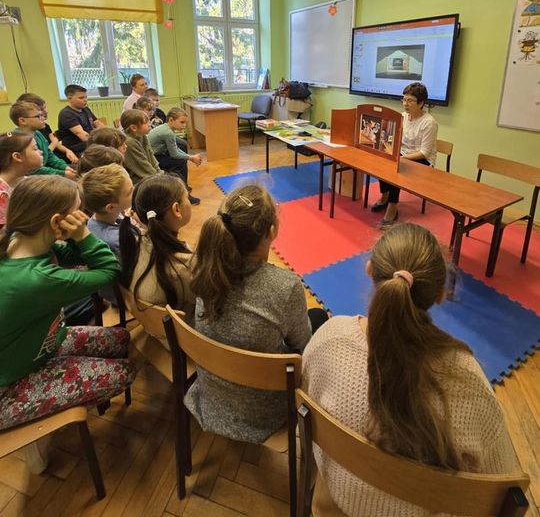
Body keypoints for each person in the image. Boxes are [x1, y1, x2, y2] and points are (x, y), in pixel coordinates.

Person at [302, 223, 517, 516]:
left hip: (338, 502)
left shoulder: (330, 338)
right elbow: (503, 484)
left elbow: (305, 405)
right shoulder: (467, 380)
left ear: (370, 270)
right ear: (440, 294)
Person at [187, 184, 328, 444]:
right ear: (272, 231)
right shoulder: (285, 286)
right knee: (319, 317)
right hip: (264, 412)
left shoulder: (203, 267)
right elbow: (303, 346)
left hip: (212, 393)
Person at [0, 176, 136, 442]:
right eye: (78, 211)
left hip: (39, 346)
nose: (84, 217)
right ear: (56, 222)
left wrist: (75, 238)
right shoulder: (38, 279)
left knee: (121, 337)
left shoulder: (19, 240)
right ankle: (38, 424)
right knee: (125, 372)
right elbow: (110, 270)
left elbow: (76, 255)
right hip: (8, 386)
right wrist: (82, 234)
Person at [119, 173, 196, 325]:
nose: (189, 201)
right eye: (187, 197)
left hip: (153, 325)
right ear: (177, 209)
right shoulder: (184, 266)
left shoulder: (133, 243)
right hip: (181, 332)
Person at [371, 82, 437, 227]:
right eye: (404, 99)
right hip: (404, 154)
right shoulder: (402, 116)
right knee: (383, 159)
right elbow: (394, 138)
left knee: (397, 168)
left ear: (421, 103)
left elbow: (424, 153)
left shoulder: (429, 122)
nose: (405, 104)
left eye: (410, 100)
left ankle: (392, 207)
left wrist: (400, 158)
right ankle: (385, 195)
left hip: (423, 159)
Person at [148, 107, 202, 205]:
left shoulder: (166, 127)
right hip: (154, 158)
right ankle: (183, 193)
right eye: (182, 122)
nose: (184, 125)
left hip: (158, 154)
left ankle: (183, 186)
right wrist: (191, 158)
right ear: (171, 120)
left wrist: (190, 156)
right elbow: (175, 154)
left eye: (185, 123)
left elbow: (175, 149)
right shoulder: (168, 133)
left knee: (182, 149)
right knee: (180, 162)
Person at [10, 101, 77, 180]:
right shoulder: (19, 140)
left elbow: (49, 155)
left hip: (44, 172)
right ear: (23, 121)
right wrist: (62, 174)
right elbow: (33, 169)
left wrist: (64, 167)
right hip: (30, 178)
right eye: (38, 116)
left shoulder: (37, 133)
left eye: (42, 115)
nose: (43, 118)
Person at [83, 164, 134, 254]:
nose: (135, 191)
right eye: (130, 192)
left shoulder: (103, 215)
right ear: (111, 207)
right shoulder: (116, 240)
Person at [16, 93, 79, 164]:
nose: (45, 111)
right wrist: (54, 142)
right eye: (41, 110)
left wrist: (67, 150)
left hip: (56, 158)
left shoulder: (44, 126)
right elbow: (44, 154)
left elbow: (53, 142)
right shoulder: (30, 133)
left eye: (45, 107)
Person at [0, 132, 43, 228]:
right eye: (35, 148)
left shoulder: (27, 182)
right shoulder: (2, 194)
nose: (41, 152)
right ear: (17, 157)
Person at [120, 109, 162, 184]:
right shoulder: (129, 142)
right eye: (146, 123)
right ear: (133, 128)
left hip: (150, 174)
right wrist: (158, 177)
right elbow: (142, 164)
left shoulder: (143, 136)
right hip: (136, 179)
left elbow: (151, 155)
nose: (150, 124)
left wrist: (159, 172)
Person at [57, 85, 98, 156]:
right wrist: (102, 142)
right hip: (77, 149)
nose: (85, 100)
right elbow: (82, 135)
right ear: (70, 99)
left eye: (86, 97)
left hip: (89, 145)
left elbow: (98, 124)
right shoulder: (66, 114)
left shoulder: (86, 109)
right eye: (81, 98)